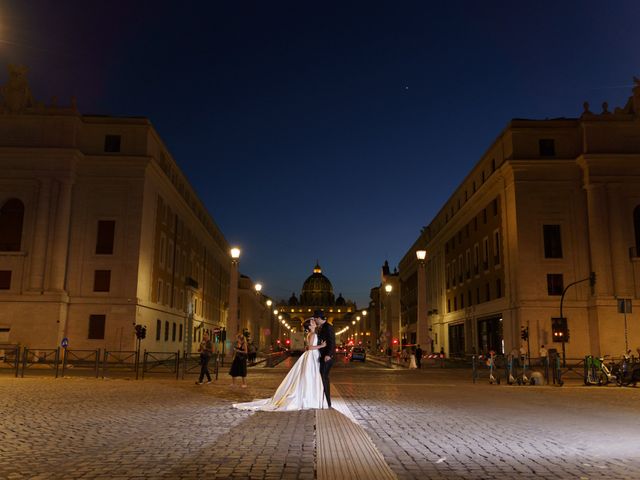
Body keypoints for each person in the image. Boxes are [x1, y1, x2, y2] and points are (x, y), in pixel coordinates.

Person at [233, 317, 327, 410]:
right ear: (310, 326)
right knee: (310, 376)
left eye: (313, 321)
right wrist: (321, 346)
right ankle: (310, 399)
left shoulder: (312, 334)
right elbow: (309, 347)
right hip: (311, 356)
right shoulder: (312, 334)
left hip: (311, 356)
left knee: (309, 377)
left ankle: (309, 398)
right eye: (312, 322)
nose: (314, 322)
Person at [315, 310, 336, 408]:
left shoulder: (328, 327)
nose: (315, 320)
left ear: (319, 318)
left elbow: (332, 342)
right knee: (322, 378)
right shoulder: (322, 327)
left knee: (324, 378)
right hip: (323, 356)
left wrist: (328, 354)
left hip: (327, 357)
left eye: (315, 318)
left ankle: (328, 402)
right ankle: (323, 400)